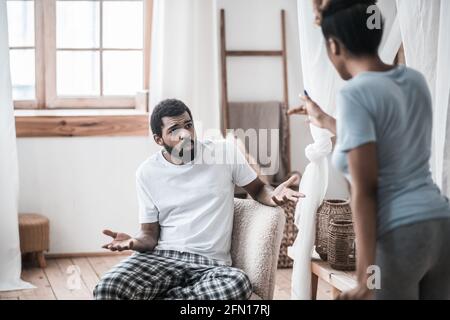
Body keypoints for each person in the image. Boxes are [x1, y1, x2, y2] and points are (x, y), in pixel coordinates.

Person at [289, 0, 450, 300]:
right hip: (440, 227)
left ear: (334, 47)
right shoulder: (413, 81)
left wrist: (364, 278)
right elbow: (386, 140)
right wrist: (323, 118)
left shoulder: (355, 93)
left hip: (401, 235)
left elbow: (365, 191)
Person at [93, 99, 303, 300]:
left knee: (238, 283)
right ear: (159, 139)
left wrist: (273, 195)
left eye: (188, 125)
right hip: (162, 258)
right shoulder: (147, 172)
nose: (185, 134)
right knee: (107, 288)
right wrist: (133, 242)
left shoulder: (224, 153)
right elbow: (149, 236)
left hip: (211, 265)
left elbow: (258, 190)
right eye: (174, 130)